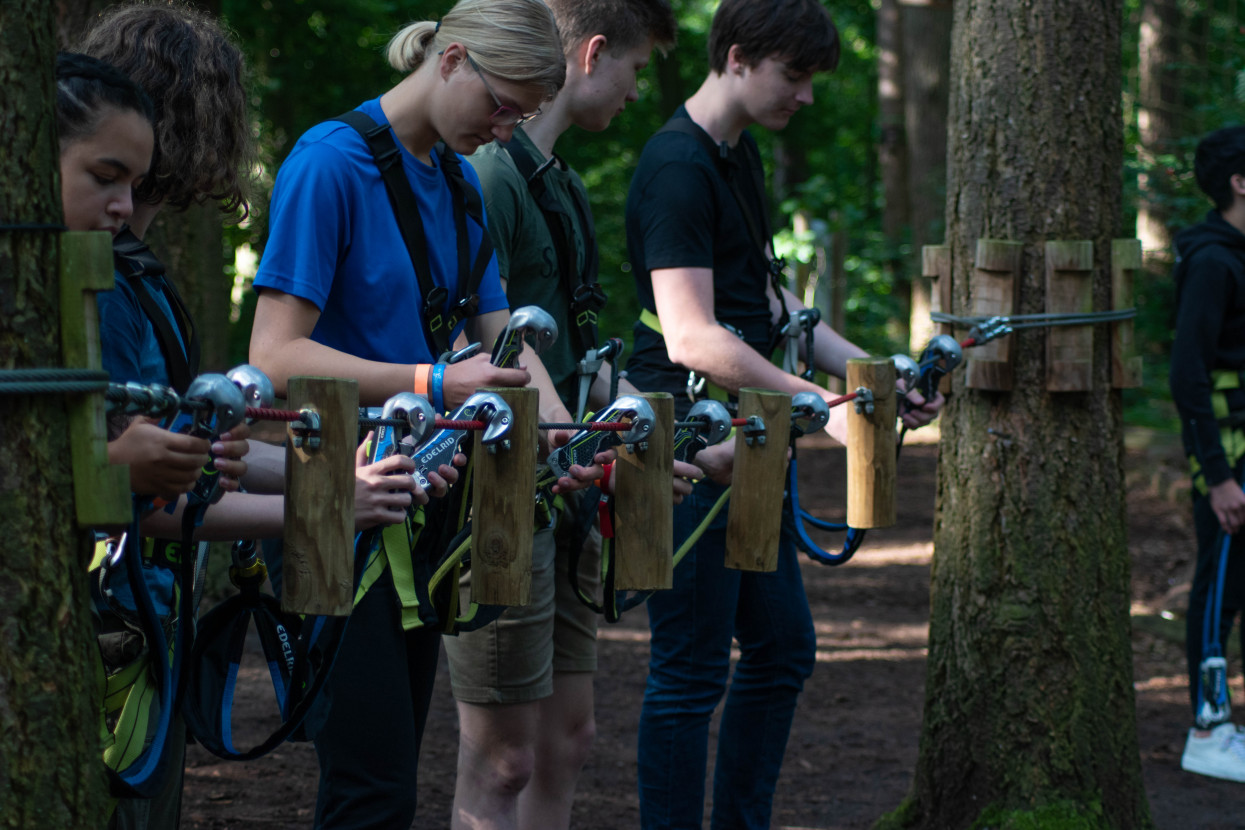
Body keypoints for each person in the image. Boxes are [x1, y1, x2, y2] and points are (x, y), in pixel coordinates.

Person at [246, 3, 603, 826]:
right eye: (502, 105)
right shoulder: (329, 163)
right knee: (370, 790)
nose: (508, 130)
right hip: (330, 499)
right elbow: (274, 356)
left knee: (391, 779)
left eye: (522, 114)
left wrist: (570, 444)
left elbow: (503, 348)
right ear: (450, 61)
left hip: (414, 508)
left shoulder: (457, 184)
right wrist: (428, 378)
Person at [73, 8, 422, 829]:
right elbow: (149, 492)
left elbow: (197, 462)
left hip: (145, 631)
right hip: (108, 633)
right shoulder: (101, 288)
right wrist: (325, 501)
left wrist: (340, 479)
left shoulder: (141, 279)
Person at [622, 1, 943, 826]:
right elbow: (691, 336)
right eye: (792, 76)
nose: (803, 96)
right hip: (687, 447)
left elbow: (766, 298)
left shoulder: (734, 156)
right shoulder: (674, 168)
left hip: (751, 434)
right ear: (736, 57)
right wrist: (820, 403)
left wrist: (870, 376)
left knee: (779, 653)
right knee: (690, 671)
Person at [446, 3, 678, 828]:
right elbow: (488, 337)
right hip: (503, 494)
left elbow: (578, 341)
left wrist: (633, 433)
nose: (637, 90)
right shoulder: (487, 175)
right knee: (501, 760)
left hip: (571, 486)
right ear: (591, 52)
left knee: (566, 739)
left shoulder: (562, 183)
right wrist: (571, 438)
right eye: (637, 68)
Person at [1170, 125, 1245, 782]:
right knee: (1217, 589)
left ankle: (1223, 723)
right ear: (1239, 184)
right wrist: (1217, 478)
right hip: (1228, 459)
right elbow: (1187, 374)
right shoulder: (1211, 262)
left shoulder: (1237, 256)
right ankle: (1206, 726)